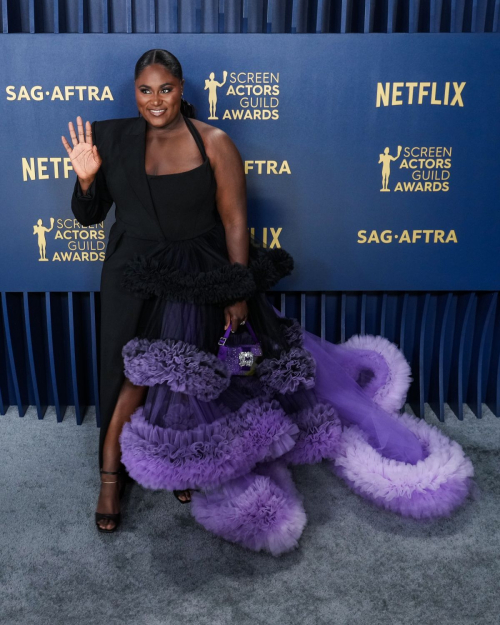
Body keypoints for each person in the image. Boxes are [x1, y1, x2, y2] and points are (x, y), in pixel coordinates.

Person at [63, 49, 475, 554]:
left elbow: (236, 221)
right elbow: (88, 217)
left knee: (193, 376)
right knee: (121, 374)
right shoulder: (110, 137)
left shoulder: (214, 142)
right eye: (145, 91)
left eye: (165, 89)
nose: (155, 101)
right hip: (131, 274)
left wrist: (237, 290)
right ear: (134, 92)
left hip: (199, 276)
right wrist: (86, 181)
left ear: (181, 87)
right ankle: (113, 476)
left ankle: (170, 466)